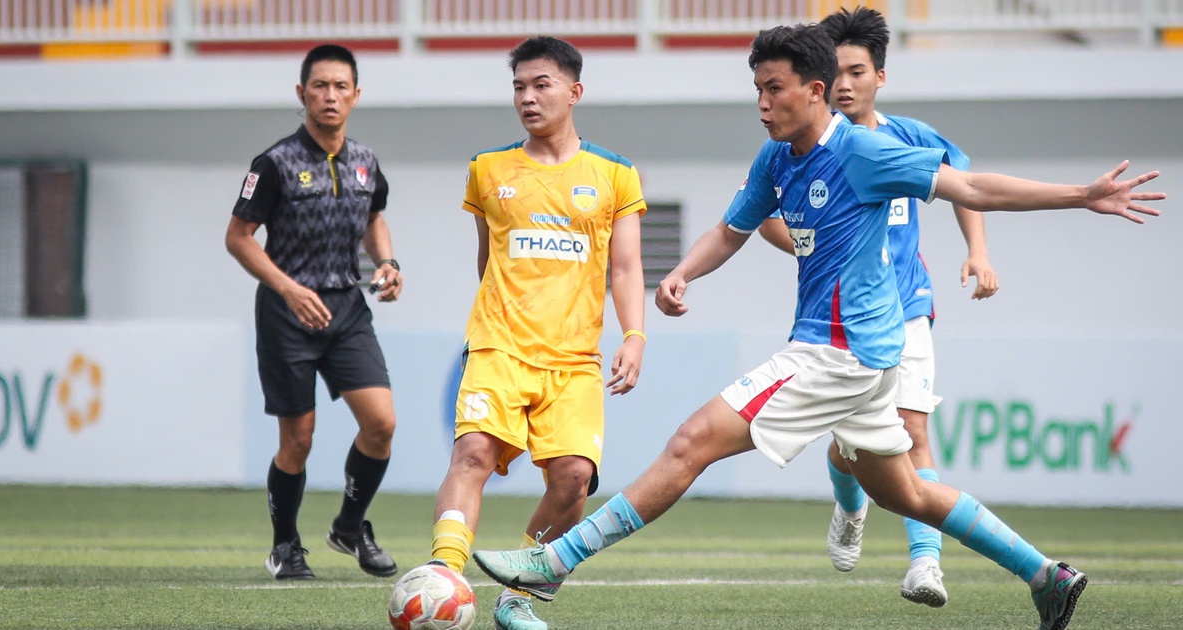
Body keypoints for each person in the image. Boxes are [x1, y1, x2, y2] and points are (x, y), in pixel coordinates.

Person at [471, 23, 1163, 630]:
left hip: (839, 353)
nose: (763, 104)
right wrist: (684, 273)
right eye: (757, 91)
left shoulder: (862, 152)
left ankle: (549, 565)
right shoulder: (776, 158)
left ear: (816, 90)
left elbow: (973, 187)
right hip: (862, 363)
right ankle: (1049, 578)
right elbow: (733, 228)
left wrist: (1082, 194)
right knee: (912, 493)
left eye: (774, 89)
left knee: (689, 444)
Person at [756, 7, 997, 607]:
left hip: (907, 308)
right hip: (841, 324)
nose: (844, 83)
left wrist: (979, 252)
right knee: (850, 449)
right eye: (834, 71)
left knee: (914, 432)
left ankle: (925, 564)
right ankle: (849, 503)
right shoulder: (802, 145)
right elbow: (761, 216)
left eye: (856, 71)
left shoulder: (908, 137)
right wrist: (811, 245)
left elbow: (964, 182)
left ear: (878, 77)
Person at [425, 36, 647, 630]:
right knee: (472, 453)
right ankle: (443, 576)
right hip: (499, 347)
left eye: (541, 84)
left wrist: (634, 335)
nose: (527, 97)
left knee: (574, 478)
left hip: (574, 360)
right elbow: (487, 259)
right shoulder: (488, 169)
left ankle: (518, 595)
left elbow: (624, 268)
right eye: (519, 86)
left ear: (574, 91)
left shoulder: (616, 175)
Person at [225, 44, 402, 581]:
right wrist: (287, 288)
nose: (330, 96)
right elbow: (238, 238)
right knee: (297, 441)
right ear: (302, 94)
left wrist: (388, 262)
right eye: (320, 86)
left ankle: (349, 527)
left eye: (340, 87)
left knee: (382, 423)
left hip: (348, 308)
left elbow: (374, 217)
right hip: (288, 316)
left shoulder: (367, 161)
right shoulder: (274, 163)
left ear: (356, 95)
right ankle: (285, 546)